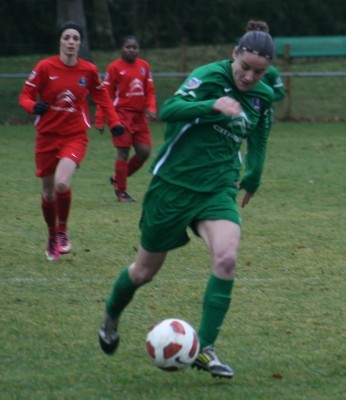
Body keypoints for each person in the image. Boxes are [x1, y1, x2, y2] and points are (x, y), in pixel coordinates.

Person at [97, 29, 276, 380]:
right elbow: (170, 110)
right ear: (234, 53)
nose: (250, 77)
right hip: (173, 186)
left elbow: (259, 136)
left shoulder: (262, 96)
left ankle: (205, 348)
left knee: (226, 258)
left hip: (218, 188)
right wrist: (212, 105)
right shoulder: (208, 76)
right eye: (245, 67)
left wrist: (253, 177)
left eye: (259, 72)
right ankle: (110, 317)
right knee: (144, 272)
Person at [18, 21, 124, 262]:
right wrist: (33, 106)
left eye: (75, 38)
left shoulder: (88, 70)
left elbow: (102, 96)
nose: (71, 42)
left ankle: (63, 231)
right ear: (60, 41)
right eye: (67, 37)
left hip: (74, 136)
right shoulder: (44, 67)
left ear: (80, 42)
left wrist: (114, 121)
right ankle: (51, 235)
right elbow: (24, 95)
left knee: (62, 184)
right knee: (47, 193)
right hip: (46, 137)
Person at [95, 35, 158, 202]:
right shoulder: (114, 68)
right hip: (121, 115)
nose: (131, 50)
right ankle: (121, 192)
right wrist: (100, 118)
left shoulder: (144, 66)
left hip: (139, 117)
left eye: (135, 47)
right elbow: (105, 95)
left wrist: (151, 107)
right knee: (123, 152)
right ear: (121, 48)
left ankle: (118, 178)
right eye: (128, 47)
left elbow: (150, 91)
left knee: (144, 152)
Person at [245, 20, 285, 117]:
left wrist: (263, 97)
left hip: (264, 114)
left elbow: (280, 93)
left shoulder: (271, 71)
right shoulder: (236, 69)